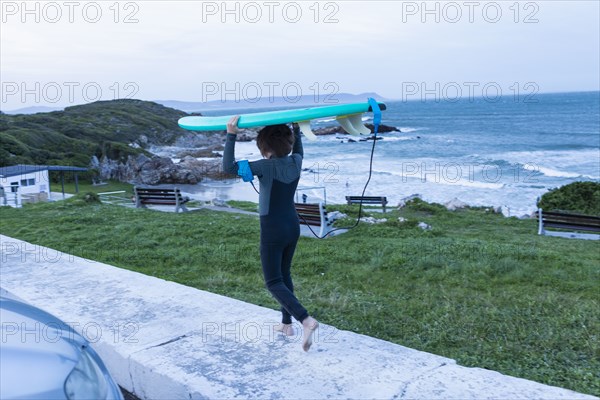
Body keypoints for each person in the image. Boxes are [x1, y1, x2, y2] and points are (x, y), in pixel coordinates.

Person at [222, 116, 319, 352]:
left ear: (263, 147)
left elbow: (228, 168)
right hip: (292, 226)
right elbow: (298, 150)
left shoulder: (263, 167)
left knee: (273, 281)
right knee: (284, 275)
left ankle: (305, 320)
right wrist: (295, 126)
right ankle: (287, 325)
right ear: (289, 143)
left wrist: (231, 134)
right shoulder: (296, 161)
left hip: (272, 228)